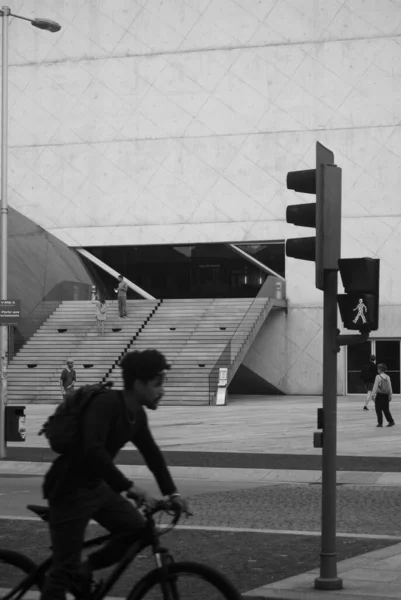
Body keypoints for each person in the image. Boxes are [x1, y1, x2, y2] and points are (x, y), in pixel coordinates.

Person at [40, 349, 189, 600]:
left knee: (138, 532)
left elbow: (152, 455)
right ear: (138, 383)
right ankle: (71, 574)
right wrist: (129, 486)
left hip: (97, 487)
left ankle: (85, 569)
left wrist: (171, 492)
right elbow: (92, 449)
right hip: (69, 489)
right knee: (62, 570)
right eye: (157, 384)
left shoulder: (137, 414)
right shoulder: (106, 403)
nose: (161, 391)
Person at [372, 363, 395, 428]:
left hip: (379, 395)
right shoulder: (388, 377)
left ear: (379, 369)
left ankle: (380, 423)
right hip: (386, 396)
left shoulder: (378, 377)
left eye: (378, 368)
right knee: (386, 410)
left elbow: (375, 386)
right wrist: (390, 395)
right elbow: (390, 387)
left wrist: (373, 395)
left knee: (378, 409)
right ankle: (391, 421)